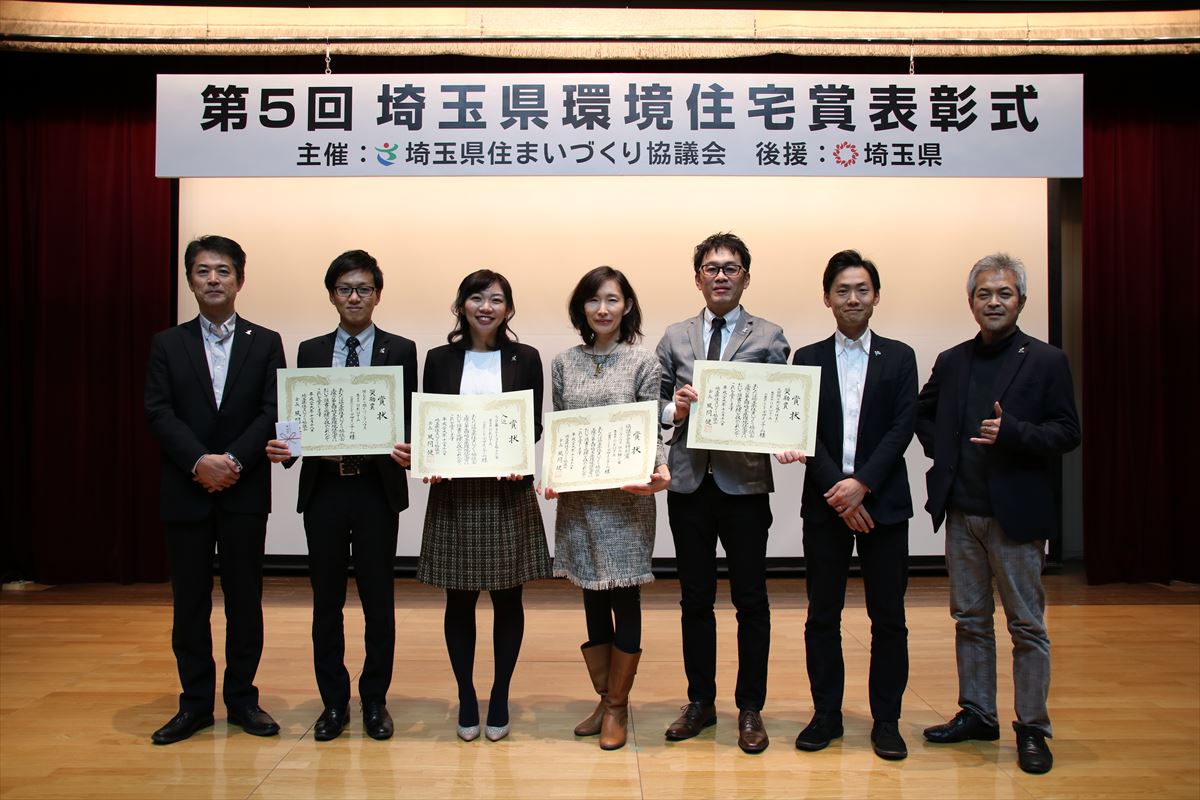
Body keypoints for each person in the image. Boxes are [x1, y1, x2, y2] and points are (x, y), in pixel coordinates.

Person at [916, 253, 1080, 775]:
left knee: (1026, 626)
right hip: (962, 513)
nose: (993, 302)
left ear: (1021, 300)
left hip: (1016, 515)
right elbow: (922, 413)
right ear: (971, 302)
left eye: (1004, 293)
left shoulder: (1046, 360)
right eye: (984, 294)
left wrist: (1015, 433)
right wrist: (943, 451)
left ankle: (1032, 728)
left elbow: (1068, 432)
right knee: (969, 619)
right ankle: (978, 713)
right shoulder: (953, 360)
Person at [264, 250, 417, 742]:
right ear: (332, 295)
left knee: (378, 600)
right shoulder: (309, 350)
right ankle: (333, 702)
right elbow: (298, 418)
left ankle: (374, 700)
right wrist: (285, 448)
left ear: (378, 295)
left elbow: (410, 417)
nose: (355, 297)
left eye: (364, 289)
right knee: (326, 601)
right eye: (345, 289)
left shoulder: (401, 349)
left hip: (375, 490)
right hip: (325, 489)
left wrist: (412, 448)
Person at [144, 235, 285, 745]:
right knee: (190, 602)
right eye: (203, 271)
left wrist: (234, 462)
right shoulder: (168, 343)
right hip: (187, 489)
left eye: (223, 271)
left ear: (240, 280)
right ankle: (195, 704)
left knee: (245, 599)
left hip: (244, 490)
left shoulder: (265, 341)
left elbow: (272, 409)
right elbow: (158, 411)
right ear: (190, 280)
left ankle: (243, 699)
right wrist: (200, 461)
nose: (213, 279)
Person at [656, 232, 790, 754]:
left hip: (745, 485)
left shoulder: (770, 335)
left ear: (745, 278)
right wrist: (675, 409)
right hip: (690, 482)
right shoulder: (675, 336)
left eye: (730, 268)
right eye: (711, 268)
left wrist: (786, 436)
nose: (720, 276)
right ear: (697, 279)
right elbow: (655, 405)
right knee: (695, 599)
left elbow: (783, 402)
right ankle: (700, 702)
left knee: (751, 599)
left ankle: (750, 708)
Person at [784, 250, 917, 760]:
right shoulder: (807, 358)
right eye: (842, 290)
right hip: (826, 504)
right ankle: (827, 715)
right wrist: (840, 492)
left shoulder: (900, 356)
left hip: (884, 504)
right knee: (823, 615)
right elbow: (803, 430)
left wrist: (862, 484)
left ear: (876, 296)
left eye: (862, 289)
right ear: (827, 298)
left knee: (889, 619)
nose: (853, 298)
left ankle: (887, 720)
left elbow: (902, 428)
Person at [417, 269, 552, 743]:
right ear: (462, 306)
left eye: (496, 299)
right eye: (477, 298)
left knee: (508, 597)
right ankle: (466, 694)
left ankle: (499, 693)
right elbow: (429, 421)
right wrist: (430, 458)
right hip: (455, 492)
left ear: (508, 309)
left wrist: (518, 458)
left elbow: (533, 425)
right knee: (458, 598)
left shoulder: (525, 357)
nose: (486, 307)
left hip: (506, 492)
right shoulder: (438, 358)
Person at [543, 267, 671, 751]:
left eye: (612, 299)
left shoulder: (643, 362)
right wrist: (552, 473)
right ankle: (603, 697)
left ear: (627, 307)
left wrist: (659, 468)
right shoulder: (563, 363)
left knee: (624, 595)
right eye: (594, 300)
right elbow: (561, 425)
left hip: (626, 501)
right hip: (579, 499)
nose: (603, 309)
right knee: (591, 594)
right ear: (582, 307)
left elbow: (651, 425)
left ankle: (618, 704)